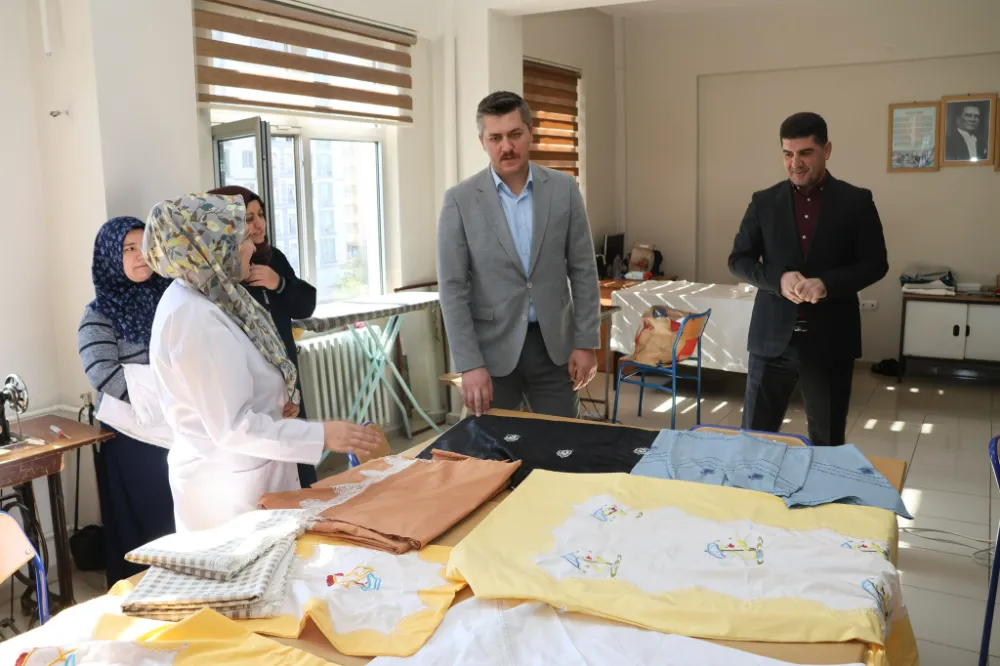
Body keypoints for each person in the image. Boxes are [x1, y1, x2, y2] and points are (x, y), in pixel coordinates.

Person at [144, 193, 382, 532]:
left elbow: (246, 371)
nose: (252, 247)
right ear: (212, 248)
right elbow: (233, 427)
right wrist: (322, 435)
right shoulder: (195, 320)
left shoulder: (216, 294)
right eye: (242, 239)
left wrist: (277, 397)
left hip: (254, 470)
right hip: (226, 489)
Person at [437, 91, 601, 419]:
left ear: (530, 133)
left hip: (554, 349)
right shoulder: (459, 200)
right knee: (490, 446)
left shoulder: (564, 189)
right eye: (495, 138)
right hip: (490, 355)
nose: (506, 146)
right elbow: (452, 288)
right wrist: (469, 363)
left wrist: (586, 343)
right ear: (482, 142)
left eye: (514, 134)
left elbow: (583, 270)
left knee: (562, 442)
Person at [728, 112, 888, 446]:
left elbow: (876, 264)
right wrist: (778, 279)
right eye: (787, 154)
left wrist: (826, 284)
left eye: (805, 153)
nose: (795, 163)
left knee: (826, 443)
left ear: (826, 150)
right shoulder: (763, 202)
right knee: (753, 441)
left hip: (830, 341)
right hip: (771, 341)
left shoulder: (856, 201)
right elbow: (738, 260)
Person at [78, 216, 175, 587]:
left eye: (144, 246)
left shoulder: (169, 296)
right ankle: (145, 596)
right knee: (145, 523)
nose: (140, 255)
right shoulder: (99, 313)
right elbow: (102, 372)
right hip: (133, 437)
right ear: (109, 257)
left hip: (178, 427)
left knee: (178, 520)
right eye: (128, 248)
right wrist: (164, 398)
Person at [208, 185, 319, 488]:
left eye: (261, 215)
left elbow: (305, 304)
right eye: (248, 219)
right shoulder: (221, 275)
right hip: (253, 392)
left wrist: (278, 282)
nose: (258, 225)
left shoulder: (272, 258)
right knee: (269, 471)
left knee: (300, 469)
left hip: (287, 381)